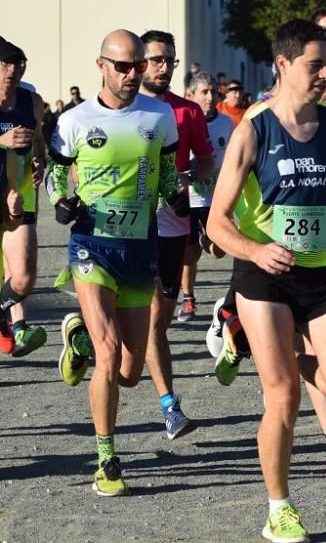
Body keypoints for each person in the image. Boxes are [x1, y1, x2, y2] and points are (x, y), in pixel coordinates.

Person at [207, 19, 326, 542]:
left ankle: (254, 344)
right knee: (282, 397)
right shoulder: (254, 130)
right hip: (264, 277)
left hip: (321, 276)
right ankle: (279, 507)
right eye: (315, 64)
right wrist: (257, 249)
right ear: (283, 65)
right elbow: (216, 221)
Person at [50, 29, 184, 496]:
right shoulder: (74, 120)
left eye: (138, 66)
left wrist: (179, 198)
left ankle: (80, 335)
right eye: (123, 66)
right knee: (110, 358)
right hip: (92, 247)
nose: (133, 75)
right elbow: (52, 171)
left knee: (128, 372)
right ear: (101, 65)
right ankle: (107, 460)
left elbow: (166, 173)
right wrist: (60, 200)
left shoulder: (161, 115)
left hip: (139, 250)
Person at [139, 30, 214, 440]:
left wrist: (186, 182)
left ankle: (90, 332)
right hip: (132, 226)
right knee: (151, 320)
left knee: (159, 324)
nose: (164, 67)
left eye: (170, 60)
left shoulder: (188, 112)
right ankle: (170, 406)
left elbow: (205, 164)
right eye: (156, 60)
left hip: (175, 222)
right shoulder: (124, 110)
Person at [0, 37, 46, 357]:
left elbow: (39, 139)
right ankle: (14, 325)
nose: (12, 70)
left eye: (18, 63)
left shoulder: (32, 102)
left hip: (19, 193)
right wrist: (2, 139)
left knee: (24, 277)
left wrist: (39, 159)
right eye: (6, 63)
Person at [178, 72, 233, 321]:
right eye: (204, 92)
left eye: (213, 91)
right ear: (191, 95)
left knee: (219, 251)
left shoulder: (226, 123)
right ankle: (188, 300)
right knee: (188, 255)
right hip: (190, 199)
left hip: (216, 198)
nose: (210, 97)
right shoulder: (181, 122)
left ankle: (204, 238)